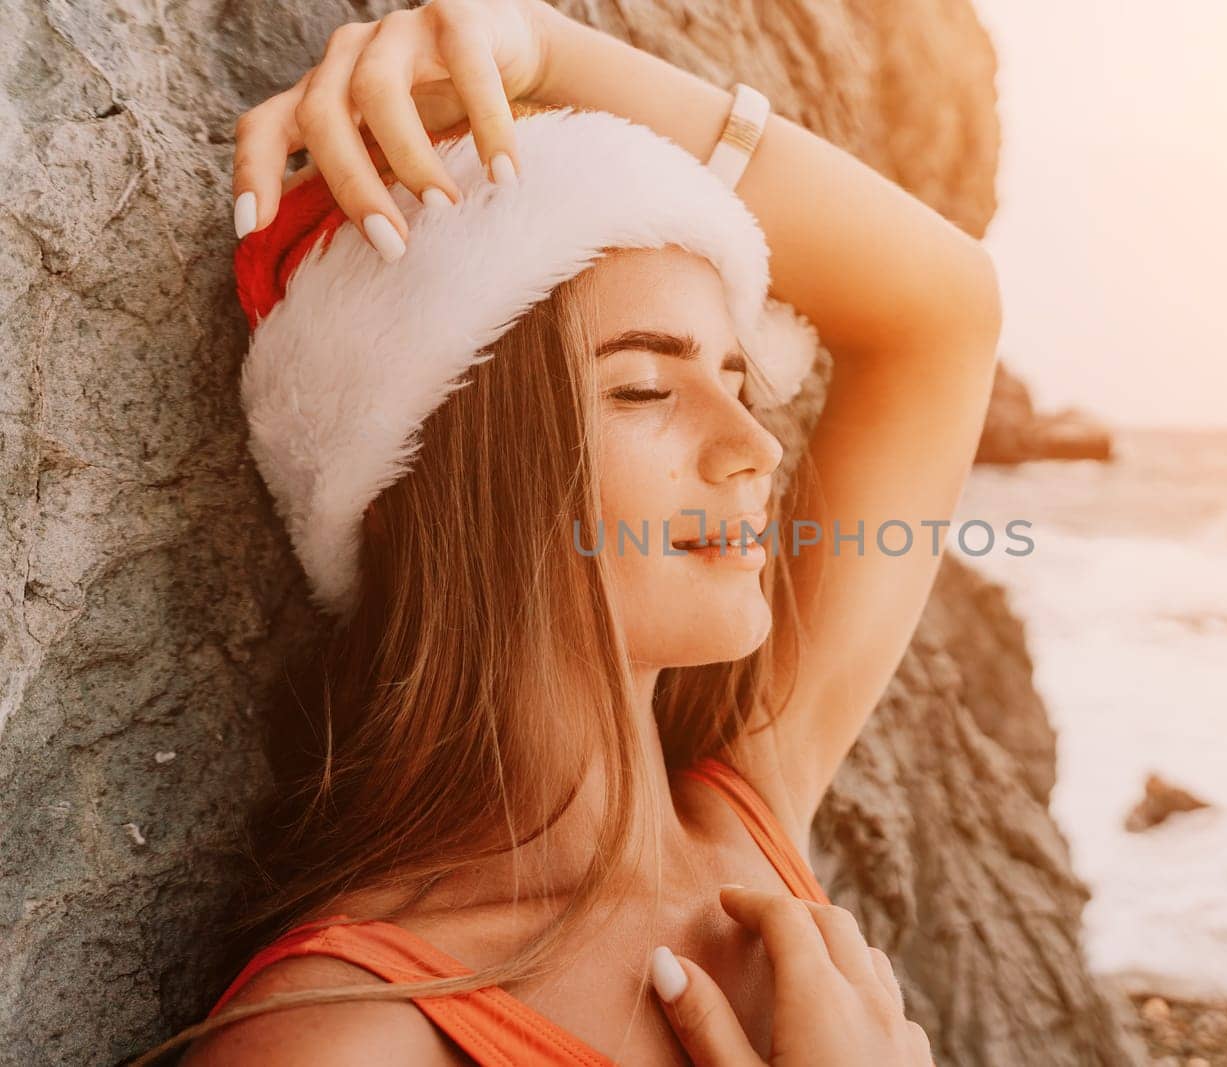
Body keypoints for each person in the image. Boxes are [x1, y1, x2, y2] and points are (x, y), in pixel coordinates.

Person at [142, 0, 1000, 1063]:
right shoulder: (344, 1036)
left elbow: (945, 308)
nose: (755, 447)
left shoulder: (747, 822)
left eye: (738, 379)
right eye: (645, 388)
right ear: (453, 474)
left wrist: (539, 51)